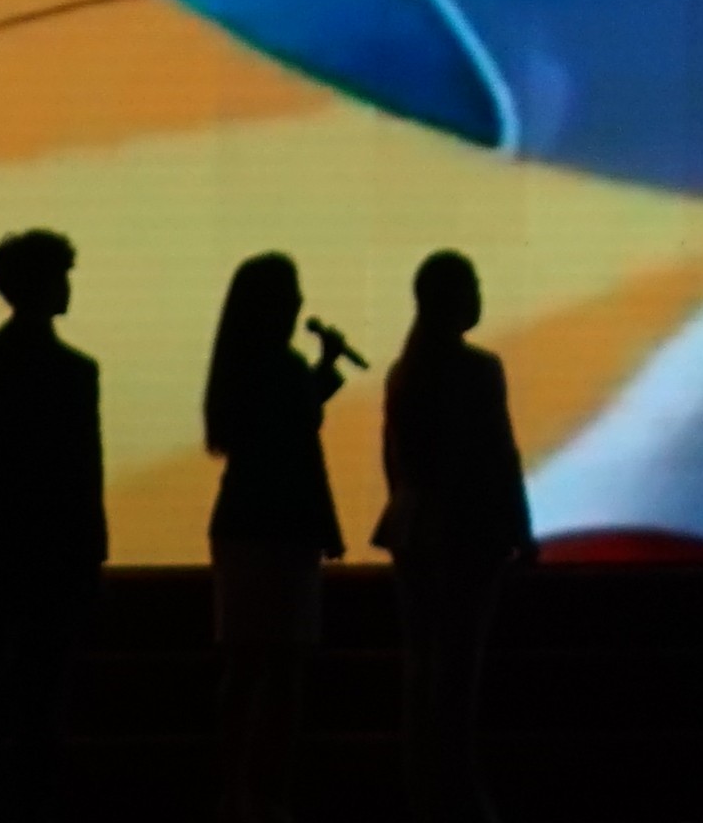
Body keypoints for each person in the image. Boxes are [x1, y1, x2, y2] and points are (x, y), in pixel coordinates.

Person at [0, 228, 109, 822]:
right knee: (44, 694)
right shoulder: (75, 372)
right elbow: (83, 475)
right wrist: (93, 555)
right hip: (55, 558)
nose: (68, 288)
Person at [373, 251, 532, 823]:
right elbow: (500, 456)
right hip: (468, 532)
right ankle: (459, 793)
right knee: (459, 672)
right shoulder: (479, 370)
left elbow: (393, 463)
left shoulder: (403, 371)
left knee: (421, 670)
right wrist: (522, 530)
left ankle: (424, 791)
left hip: (413, 529)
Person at [203, 253, 362, 822]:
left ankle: (234, 791)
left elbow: (287, 419)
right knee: (284, 670)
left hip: (240, 523)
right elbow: (301, 444)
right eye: (291, 292)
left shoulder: (239, 368)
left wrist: (323, 369)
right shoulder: (283, 369)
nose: (299, 302)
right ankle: (269, 795)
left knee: (244, 665)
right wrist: (329, 529)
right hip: (284, 529)